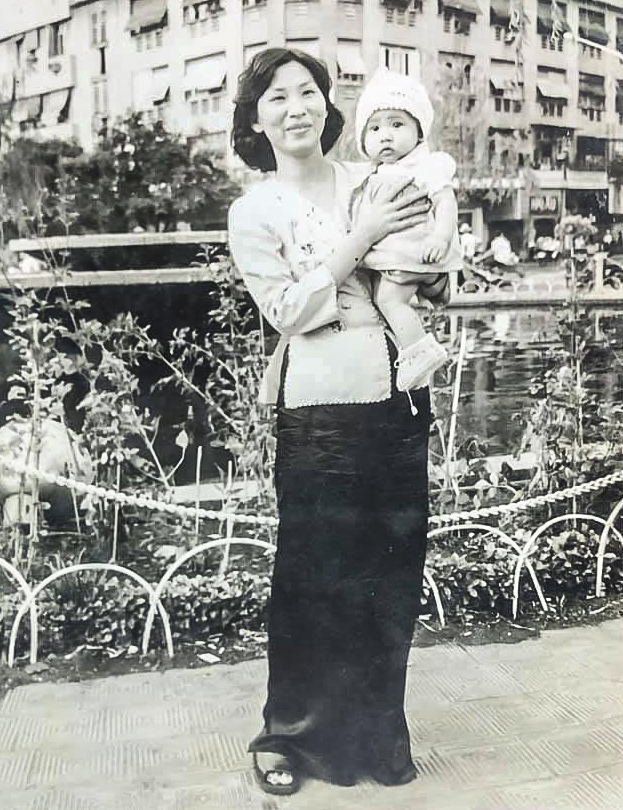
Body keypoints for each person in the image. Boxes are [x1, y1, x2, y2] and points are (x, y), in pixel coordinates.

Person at [228, 48, 438, 795]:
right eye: (277, 98)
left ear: (327, 104)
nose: (297, 108)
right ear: (255, 120)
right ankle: (288, 736)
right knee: (312, 575)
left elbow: (425, 260)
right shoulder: (254, 210)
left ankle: (375, 735)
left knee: (391, 572)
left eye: (308, 92)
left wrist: (428, 269)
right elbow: (289, 309)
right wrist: (362, 237)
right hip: (317, 404)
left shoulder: (371, 177)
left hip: (397, 395)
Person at [350, 67, 461, 396]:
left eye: (397, 125)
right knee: (384, 297)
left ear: (419, 132)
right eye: (374, 128)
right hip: (395, 255)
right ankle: (412, 347)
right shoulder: (375, 174)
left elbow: (445, 201)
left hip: (415, 251)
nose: (385, 135)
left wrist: (440, 237)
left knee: (388, 299)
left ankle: (419, 349)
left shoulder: (426, 166)